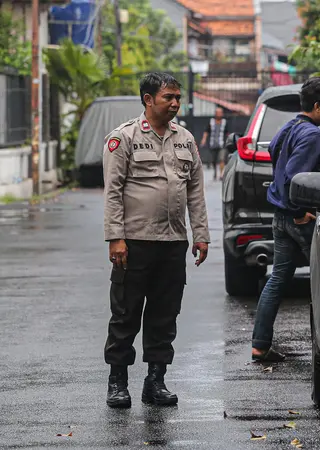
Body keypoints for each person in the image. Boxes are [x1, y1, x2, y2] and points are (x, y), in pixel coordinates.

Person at [102, 72, 210, 408]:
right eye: (168, 98)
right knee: (126, 314)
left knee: (165, 314)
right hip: (134, 242)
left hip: (173, 242)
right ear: (148, 99)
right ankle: (118, 382)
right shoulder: (124, 138)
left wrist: (201, 235)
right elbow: (113, 192)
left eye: (178, 98)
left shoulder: (186, 140)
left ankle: (156, 381)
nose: (175, 104)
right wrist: (115, 238)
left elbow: (195, 192)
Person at [250, 77, 320, 362]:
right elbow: (294, 175)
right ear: (317, 106)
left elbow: (274, 151)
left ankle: (260, 344)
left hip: (279, 215)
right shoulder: (312, 134)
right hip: (298, 218)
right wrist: (301, 211)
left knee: (277, 279)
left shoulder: (289, 126)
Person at [200, 106, 228, 180]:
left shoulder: (225, 122)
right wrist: (204, 139)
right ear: (215, 113)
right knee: (214, 160)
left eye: (220, 112)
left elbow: (227, 133)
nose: (219, 114)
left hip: (222, 144)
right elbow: (206, 131)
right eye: (218, 112)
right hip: (213, 144)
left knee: (222, 159)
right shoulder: (211, 122)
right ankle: (215, 172)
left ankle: (221, 174)